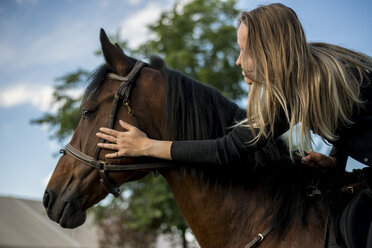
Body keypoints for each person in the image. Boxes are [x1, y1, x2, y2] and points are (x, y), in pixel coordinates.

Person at [96, 3, 372, 247]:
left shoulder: (315, 83)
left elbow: (226, 150)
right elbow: (349, 125)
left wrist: (147, 146)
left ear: (269, 52)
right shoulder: (311, 74)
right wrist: (336, 161)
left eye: (244, 51)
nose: (238, 60)